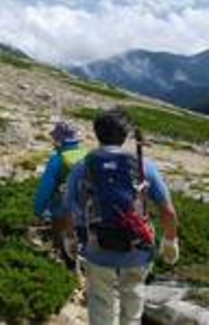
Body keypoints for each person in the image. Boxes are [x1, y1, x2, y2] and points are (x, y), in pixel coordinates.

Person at [64, 107, 179, 325]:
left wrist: (70, 238)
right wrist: (170, 240)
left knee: (100, 302)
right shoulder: (144, 166)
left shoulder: (81, 168)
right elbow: (168, 211)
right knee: (133, 297)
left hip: (96, 248)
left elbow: (68, 209)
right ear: (125, 135)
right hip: (137, 249)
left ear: (97, 133)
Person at [34, 122, 87, 267]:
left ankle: (62, 264)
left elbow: (45, 188)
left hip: (62, 209)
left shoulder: (57, 160)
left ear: (58, 141)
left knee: (60, 236)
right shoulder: (87, 156)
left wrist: (38, 210)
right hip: (87, 208)